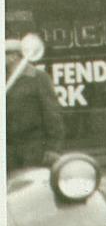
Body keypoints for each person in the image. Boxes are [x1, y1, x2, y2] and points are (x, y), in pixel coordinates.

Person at [6, 38, 65, 170]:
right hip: (8, 146)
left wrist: (53, 148)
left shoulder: (38, 77)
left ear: (13, 57)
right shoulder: (4, 79)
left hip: (33, 146)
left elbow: (52, 113)